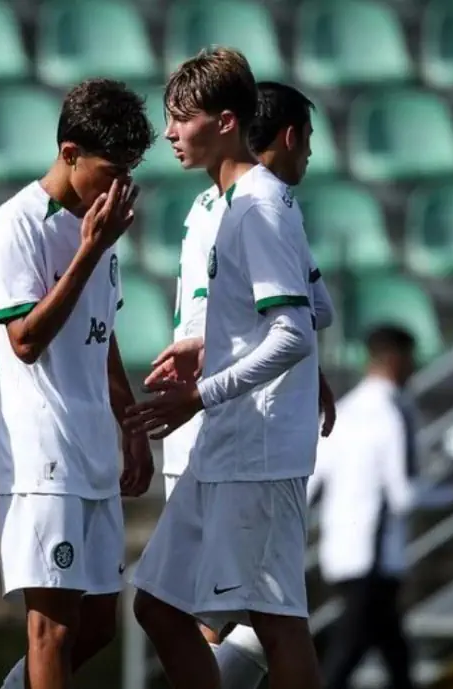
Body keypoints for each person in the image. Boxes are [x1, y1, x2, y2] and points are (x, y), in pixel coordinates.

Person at [123, 48, 325, 689]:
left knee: (276, 621)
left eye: (183, 118)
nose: (171, 133)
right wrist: (205, 346)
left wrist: (201, 394)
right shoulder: (229, 204)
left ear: (228, 121)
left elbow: (293, 333)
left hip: (256, 450)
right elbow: (280, 320)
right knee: (158, 605)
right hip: (226, 444)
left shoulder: (258, 206)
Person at [0, 78, 156, 689]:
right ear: (68, 153)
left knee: (99, 627)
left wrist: (130, 426)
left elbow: (100, 333)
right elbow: (26, 341)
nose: (117, 189)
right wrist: (87, 253)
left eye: (128, 175)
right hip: (43, 457)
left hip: (92, 451)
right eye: (109, 171)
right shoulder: (19, 224)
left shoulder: (98, 231)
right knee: (50, 632)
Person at [308, 325, 422, 689]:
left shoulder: (340, 411)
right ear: (395, 360)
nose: (414, 370)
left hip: (339, 553)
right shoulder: (393, 413)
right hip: (375, 558)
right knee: (347, 655)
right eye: (410, 361)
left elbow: (309, 487)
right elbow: (403, 495)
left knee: (395, 654)